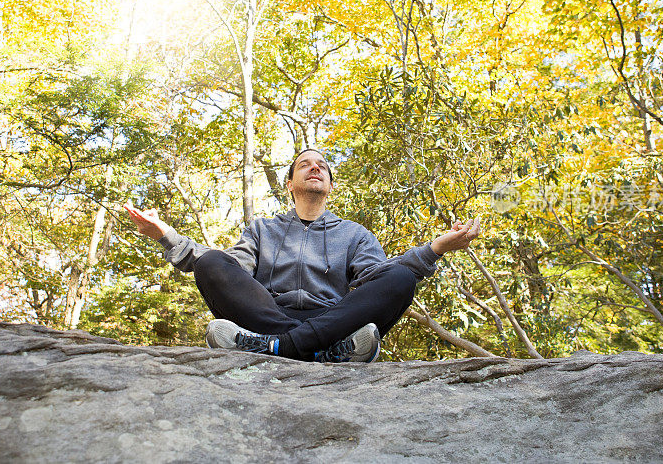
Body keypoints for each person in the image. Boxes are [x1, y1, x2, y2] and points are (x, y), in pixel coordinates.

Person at [124, 148, 481, 363]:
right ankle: (320, 351)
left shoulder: (355, 234)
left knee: (401, 277)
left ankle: (275, 348)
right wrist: (166, 236)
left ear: (329, 184)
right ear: (290, 184)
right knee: (212, 261)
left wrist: (435, 249)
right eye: (306, 165)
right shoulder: (263, 229)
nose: (315, 168)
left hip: (331, 317)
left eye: (322, 166)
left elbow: (377, 280)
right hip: (266, 313)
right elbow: (231, 270)